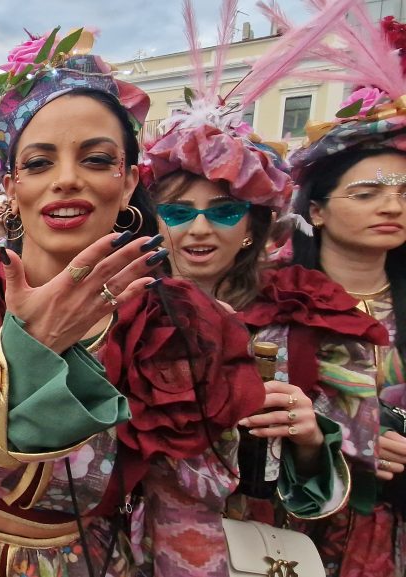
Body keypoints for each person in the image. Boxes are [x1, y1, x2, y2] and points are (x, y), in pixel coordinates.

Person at [0, 30, 264, 577]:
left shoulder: (175, 325)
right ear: (9, 186)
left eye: (97, 159)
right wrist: (24, 351)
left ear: (129, 180)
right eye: (38, 163)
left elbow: (186, 517)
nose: (66, 181)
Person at [141, 2, 364, 550]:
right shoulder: (124, 305)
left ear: (251, 228)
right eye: (176, 212)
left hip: (255, 546)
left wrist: (311, 441)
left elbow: (335, 487)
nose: (198, 229)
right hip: (135, 546)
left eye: (221, 211)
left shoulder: (301, 319)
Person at [249, 7, 406, 572]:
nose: (391, 205)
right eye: (366, 192)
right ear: (316, 208)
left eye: (404, 192)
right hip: (293, 528)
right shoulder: (270, 301)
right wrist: (348, 443)